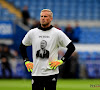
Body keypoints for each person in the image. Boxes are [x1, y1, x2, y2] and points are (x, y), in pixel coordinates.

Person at [19, 9, 75, 90]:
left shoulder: (57, 33)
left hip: (51, 73)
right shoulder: (32, 32)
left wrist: (61, 60)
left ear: (51, 18)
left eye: (45, 16)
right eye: (41, 16)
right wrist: (26, 61)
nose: (43, 18)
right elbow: (22, 46)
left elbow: (71, 48)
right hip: (36, 73)